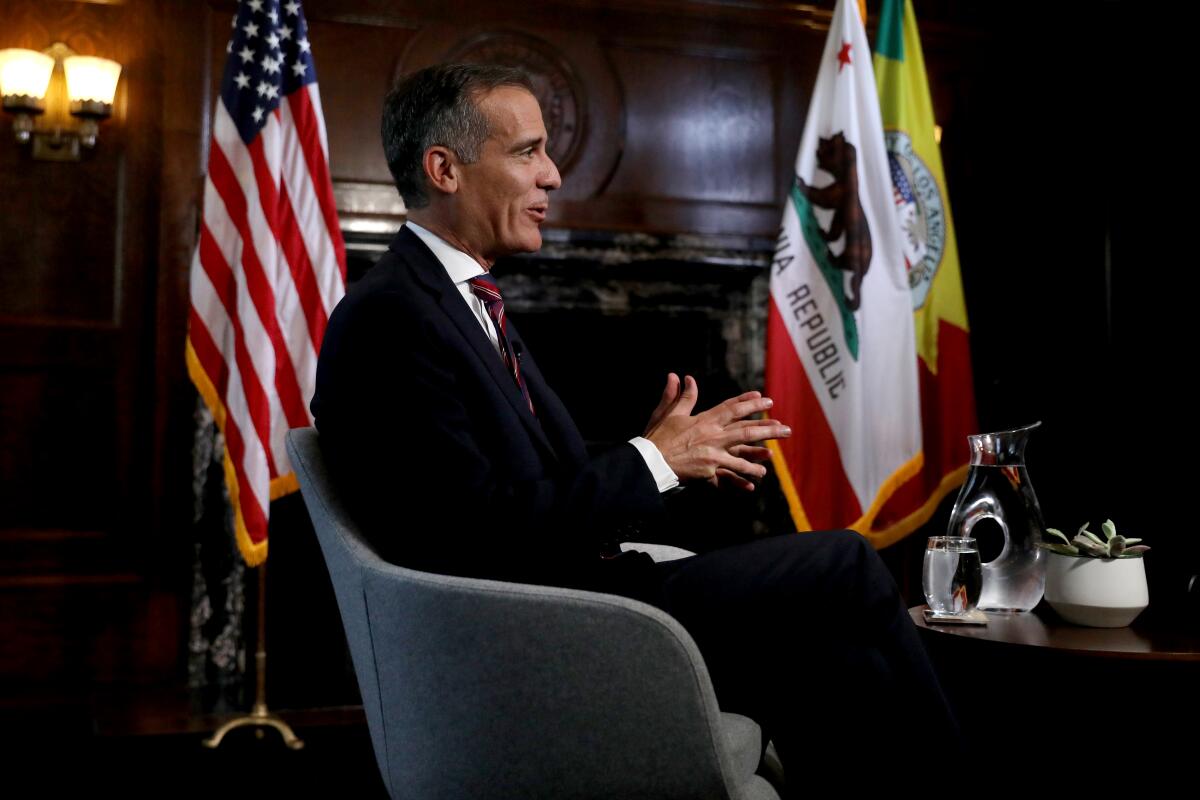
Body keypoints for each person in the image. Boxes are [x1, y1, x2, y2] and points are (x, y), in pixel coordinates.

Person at [311, 62, 959, 782]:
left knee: (830, 651)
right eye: (527, 152)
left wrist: (676, 454)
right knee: (843, 565)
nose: (553, 176)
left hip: (585, 600)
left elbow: (525, 475)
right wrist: (652, 458)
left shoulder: (458, 297)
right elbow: (473, 534)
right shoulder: (390, 319)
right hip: (552, 630)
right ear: (445, 169)